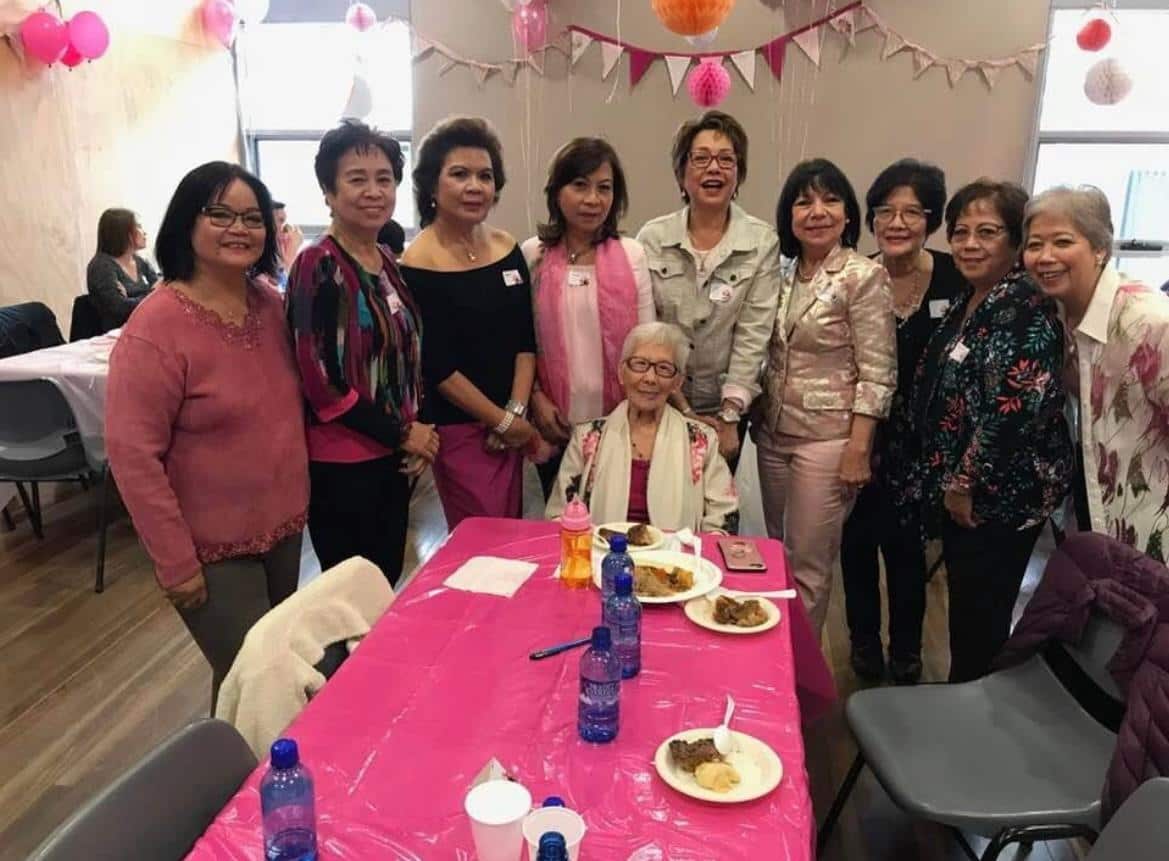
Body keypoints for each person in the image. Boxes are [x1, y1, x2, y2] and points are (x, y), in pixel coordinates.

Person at [105, 162, 309, 706]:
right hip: (212, 552)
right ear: (186, 223)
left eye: (252, 218)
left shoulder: (271, 304)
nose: (239, 228)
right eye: (220, 214)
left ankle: (234, 759)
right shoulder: (155, 328)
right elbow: (133, 457)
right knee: (261, 683)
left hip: (285, 530)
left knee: (255, 681)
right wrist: (175, 563)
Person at [913, 179, 1072, 683]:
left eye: (987, 232)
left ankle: (974, 705)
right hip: (967, 492)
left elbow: (1011, 412)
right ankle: (966, 693)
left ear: (1015, 241)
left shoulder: (1025, 309)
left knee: (981, 617)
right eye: (960, 232)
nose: (969, 244)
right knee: (967, 609)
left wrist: (963, 483)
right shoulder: (974, 298)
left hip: (999, 497)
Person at [286, 120, 439, 587]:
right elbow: (322, 383)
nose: (374, 191)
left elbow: (408, 356)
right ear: (328, 192)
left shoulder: (386, 260)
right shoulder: (318, 264)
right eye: (357, 179)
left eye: (384, 179)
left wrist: (418, 431)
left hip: (392, 457)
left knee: (384, 579)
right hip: (345, 466)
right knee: (352, 594)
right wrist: (404, 433)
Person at [752, 158, 897, 636]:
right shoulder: (780, 273)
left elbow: (878, 371)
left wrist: (859, 447)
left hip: (828, 439)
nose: (817, 211)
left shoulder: (863, 275)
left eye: (830, 200)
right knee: (777, 551)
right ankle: (775, 653)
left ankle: (801, 669)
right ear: (788, 216)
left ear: (848, 213)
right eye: (803, 202)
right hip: (773, 434)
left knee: (809, 566)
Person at [839, 160, 964, 684]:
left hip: (924, 446)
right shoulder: (854, 277)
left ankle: (908, 649)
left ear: (930, 220)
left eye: (911, 212)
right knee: (856, 543)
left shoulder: (956, 278)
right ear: (870, 219)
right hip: (861, 435)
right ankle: (863, 642)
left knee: (909, 551)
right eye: (885, 211)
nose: (896, 223)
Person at [399, 117, 537, 528]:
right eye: (459, 174)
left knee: (513, 530)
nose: (475, 186)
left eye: (485, 176)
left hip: (512, 420)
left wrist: (514, 412)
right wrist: (500, 421)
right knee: (482, 536)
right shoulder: (417, 262)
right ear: (432, 185)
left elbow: (525, 339)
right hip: (460, 427)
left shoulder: (507, 247)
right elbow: (437, 365)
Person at [1023, 185, 1169, 561]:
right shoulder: (1054, 313)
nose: (1045, 257)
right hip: (1096, 501)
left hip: (1152, 524)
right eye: (1035, 245)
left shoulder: (1150, 322)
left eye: (1062, 241)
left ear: (1100, 248)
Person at [637, 111, 781, 468]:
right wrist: (681, 408)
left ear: (738, 172)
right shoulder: (652, 238)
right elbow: (646, 329)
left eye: (726, 159)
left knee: (715, 498)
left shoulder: (761, 241)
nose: (714, 168)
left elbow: (753, 334)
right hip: (660, 399)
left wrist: (729, 415)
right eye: (701, 158)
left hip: (726, 407)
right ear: (681, 172)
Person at [522, 137, 655, 496]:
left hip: (620, 419)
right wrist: (535, 397)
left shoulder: (632, 254)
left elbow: (647, 342)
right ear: (557, 191)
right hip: (553, 419)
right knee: (560, 516)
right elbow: (522, 339)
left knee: (613, 515)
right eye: (580, 185)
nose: (593, 199)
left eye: (604, 188)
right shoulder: (533, 254)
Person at [546, 322, 738, 532]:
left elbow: (723, 518)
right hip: (599, 549)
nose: (650, 378)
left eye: (664, 368)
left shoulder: (702, 440)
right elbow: (558, 516)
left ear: (677, 383)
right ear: (621, 373)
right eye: (639, 364)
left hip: (676, 552)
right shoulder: (588, 437)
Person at [86, 208, 159, 330]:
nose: (144, 233)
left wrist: (131, 299)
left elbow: (163, 290)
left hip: (146, 326)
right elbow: (119, 308)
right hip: (117, 333)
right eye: (139, 227)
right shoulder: (102, 266)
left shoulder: (140, 261)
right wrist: (151, 293)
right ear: (124, 233)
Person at [271, 201, 304, 291]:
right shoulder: (260, 257)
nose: (285, 227)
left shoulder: (278, 252)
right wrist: (291, 252)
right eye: (281, 221)